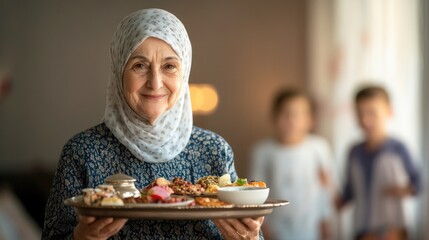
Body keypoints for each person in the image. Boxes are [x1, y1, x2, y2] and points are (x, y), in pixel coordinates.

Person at [42, 8, 264, 240]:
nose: (155, 82)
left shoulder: (214, 150)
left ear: (184, 72)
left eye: (169, 66)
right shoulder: (82, 152)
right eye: (139, 65)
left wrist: (249, 238)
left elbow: (248, 230)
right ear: (119, 70)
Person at [336, 86, 421, 240]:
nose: (365, 120)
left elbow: (418, 184)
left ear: (389, 112)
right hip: (362, 229)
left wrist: (402, 190)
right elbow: (349, 193)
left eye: (372, 113)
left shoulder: (398, 149)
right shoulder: (354, 152)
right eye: (360, 113)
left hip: (393, 229)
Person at [251, 89, 334, 240]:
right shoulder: (263, 151)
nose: (291, 119)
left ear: (310, 119)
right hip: (276, 229)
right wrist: (264, 229)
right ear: (274, 117)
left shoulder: (319, 147)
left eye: (298, 114)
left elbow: (325, 193)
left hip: (311, 229)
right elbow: (255, 195)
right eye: (285, 113)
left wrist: (325, 228)